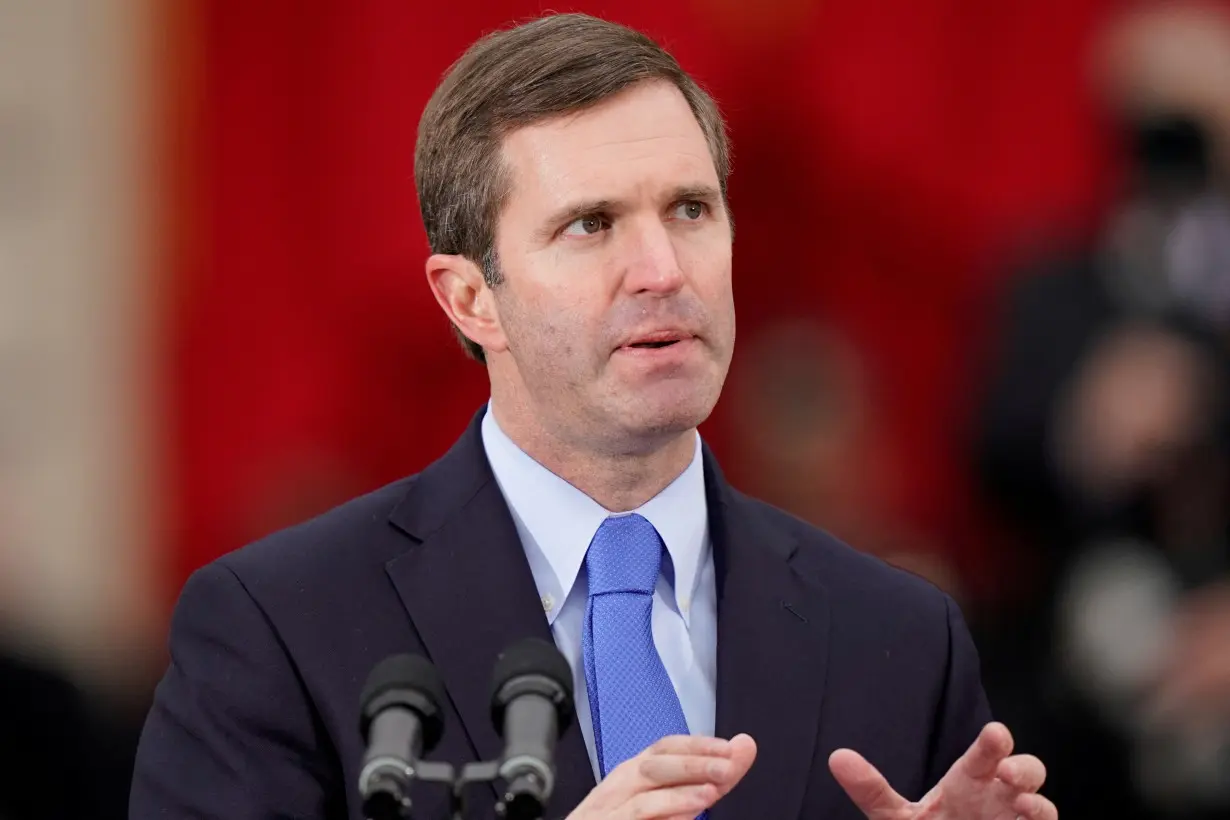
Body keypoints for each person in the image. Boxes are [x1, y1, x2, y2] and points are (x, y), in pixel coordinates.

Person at [130, 13, 1054, 820]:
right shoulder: (279, 627)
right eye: (591, 224)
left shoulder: (898, 638)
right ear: (468, 299)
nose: (662, 269)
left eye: (691, 210)